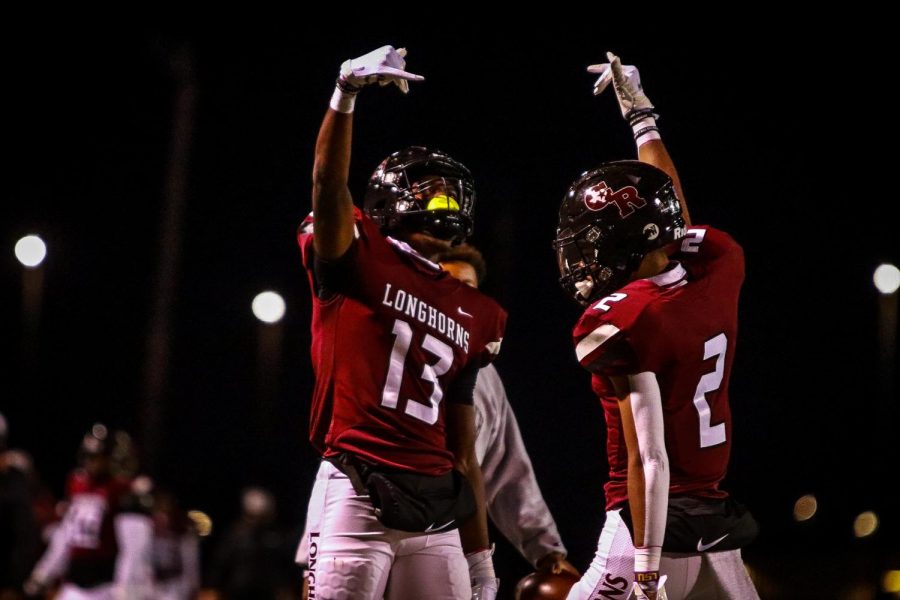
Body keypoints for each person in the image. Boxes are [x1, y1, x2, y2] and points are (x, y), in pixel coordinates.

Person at [296, 45, 507, 599]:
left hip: (437, 503)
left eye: (447, 194)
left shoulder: (478, 310)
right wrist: (344, 94)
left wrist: (481, 558)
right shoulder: (360, 253)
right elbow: (326, 185)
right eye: (426, 191)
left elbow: (465, 449)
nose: (440, 204)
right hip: (357, 486)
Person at [555, 53, 759, 600]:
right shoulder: (717, 266)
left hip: (643, 528)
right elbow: (673, 217)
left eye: (593, 239)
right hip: (714, 518)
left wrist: (645, 571)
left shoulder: (624, 316)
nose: (585, 254)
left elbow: (651, 455)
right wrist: (643, 120)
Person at [295, 245, 577, 593]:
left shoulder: (483, 376)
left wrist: (542, 547)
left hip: (441, 519)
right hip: (363, 501)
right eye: (447, 283)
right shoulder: (385, 341)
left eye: (467, 289)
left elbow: (503, 465)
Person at [24, 425, 154, 600]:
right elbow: (66, 535)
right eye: (91, 457)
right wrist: (44, 573)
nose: (93, 463)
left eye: (100, 457)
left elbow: (133, 550)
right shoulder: (77, 484)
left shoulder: (124, 491)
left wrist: (127, 588)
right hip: (74, 585)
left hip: (108, 587)